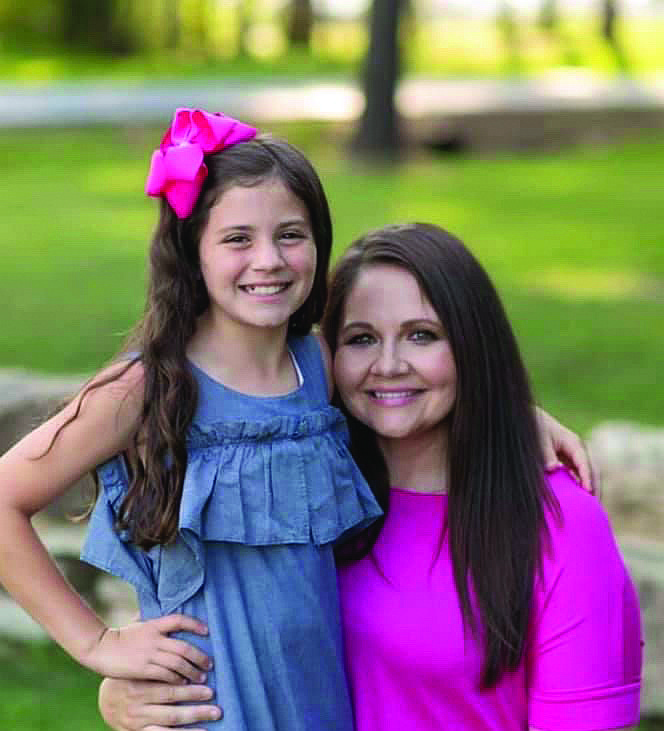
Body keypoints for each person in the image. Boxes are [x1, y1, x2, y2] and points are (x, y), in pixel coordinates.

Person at [0, 106, 591, 731]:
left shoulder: (320, 367)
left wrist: (523, 417)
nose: (269, 260)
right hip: (211, 709)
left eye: (290, 234)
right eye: (237, 240)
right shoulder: (147, 385)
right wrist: (95, 644)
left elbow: (409, 382)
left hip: (318, 704)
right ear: (192, 250)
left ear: (318, 242)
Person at [96, 226, 638, 731]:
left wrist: (509, 415)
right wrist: (123, 693)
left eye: (422, 336)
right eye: (360, 339)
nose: (389, 364)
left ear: (475, 346)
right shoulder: (294, 491)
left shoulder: (562, 526)